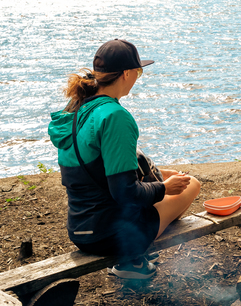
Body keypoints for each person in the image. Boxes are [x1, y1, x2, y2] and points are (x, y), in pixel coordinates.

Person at [48, 39, 201, 280]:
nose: (138, 77)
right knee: (191, 184)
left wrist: (162, 181)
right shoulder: (114, 116)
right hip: (110, 235)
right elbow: (125, 193)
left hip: (80, 228)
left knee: (169, 175)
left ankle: (137, 252)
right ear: (127, 74)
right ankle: (133, 259)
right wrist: (163, 188)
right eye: (139, 72)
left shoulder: (77, 107)